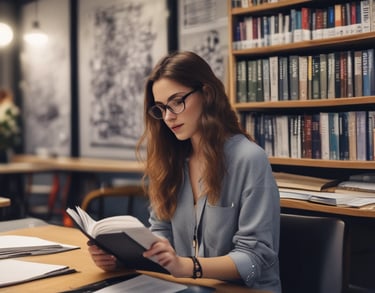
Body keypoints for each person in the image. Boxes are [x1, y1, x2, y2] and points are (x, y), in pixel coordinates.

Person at [88, 51, 281, 292]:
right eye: (161, 108)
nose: (168, 117)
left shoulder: (250, 159)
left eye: (177, 101)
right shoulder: (171, 161)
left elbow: (255, 262)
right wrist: (120, 258)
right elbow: (161, 234)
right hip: (184, 287)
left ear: (207, 94)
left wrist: (189, 267)